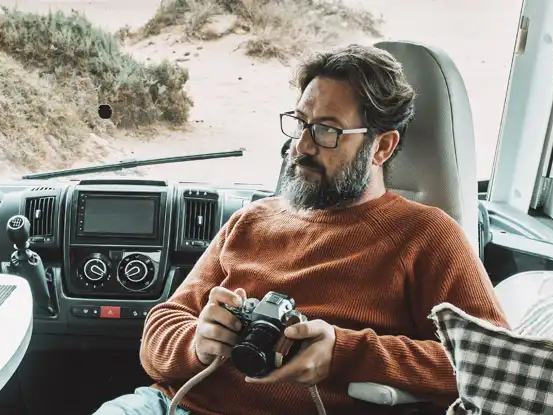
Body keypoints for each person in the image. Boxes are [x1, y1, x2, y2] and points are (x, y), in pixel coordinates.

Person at [93, 44, 509, 415]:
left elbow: (498, 368)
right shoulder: (251, 220)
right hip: (175, 405)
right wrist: (199, 342)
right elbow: (161, 328)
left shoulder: (426, 236)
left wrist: (345, 354)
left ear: (381, 147)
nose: (301, 147)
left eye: (327, 131)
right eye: (300, 122)